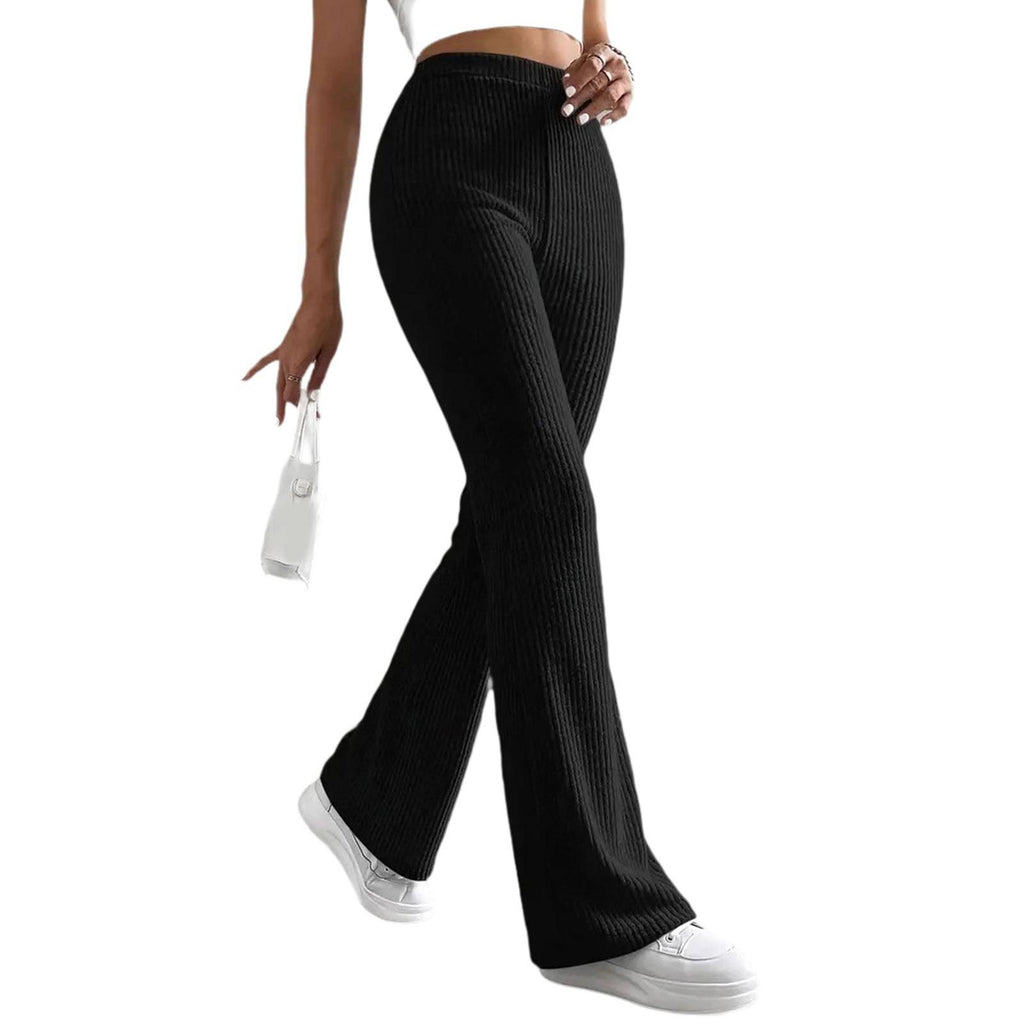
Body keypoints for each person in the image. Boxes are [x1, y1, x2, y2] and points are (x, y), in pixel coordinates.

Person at [243, 1, 756, 1012]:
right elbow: (333, 80)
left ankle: (373, 803)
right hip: (449, 158)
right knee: (548, 501)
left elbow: (592, 31)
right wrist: (318, 286)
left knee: (519, 515)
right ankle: (598, 912)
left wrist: (613, 67)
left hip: (577, 165)